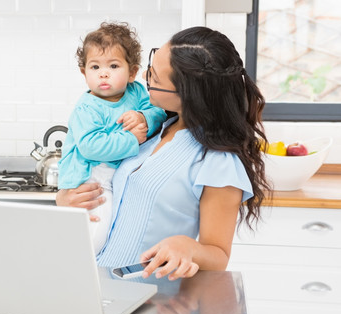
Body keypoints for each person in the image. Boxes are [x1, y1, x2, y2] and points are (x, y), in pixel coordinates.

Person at [56, 26, 269, 280]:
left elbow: (219, 256)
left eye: (154, 78)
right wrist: (66, 200)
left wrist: (188, 247)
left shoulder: (217, 161)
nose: (143, 76)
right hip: (99, 283)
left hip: (147, 297)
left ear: (188, 95)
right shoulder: (152, 130)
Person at [58, 22, 167, 255]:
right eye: (95, 67)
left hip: (114, 174)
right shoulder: (86, 108)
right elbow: (90, 147)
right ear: (84, 72)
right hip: (91, 178)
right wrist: (131, 140)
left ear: (132, 72)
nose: (103, 73)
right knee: (95, 234)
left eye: (114, 65)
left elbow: (159, 112)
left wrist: (143, 117)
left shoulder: (136, 92)